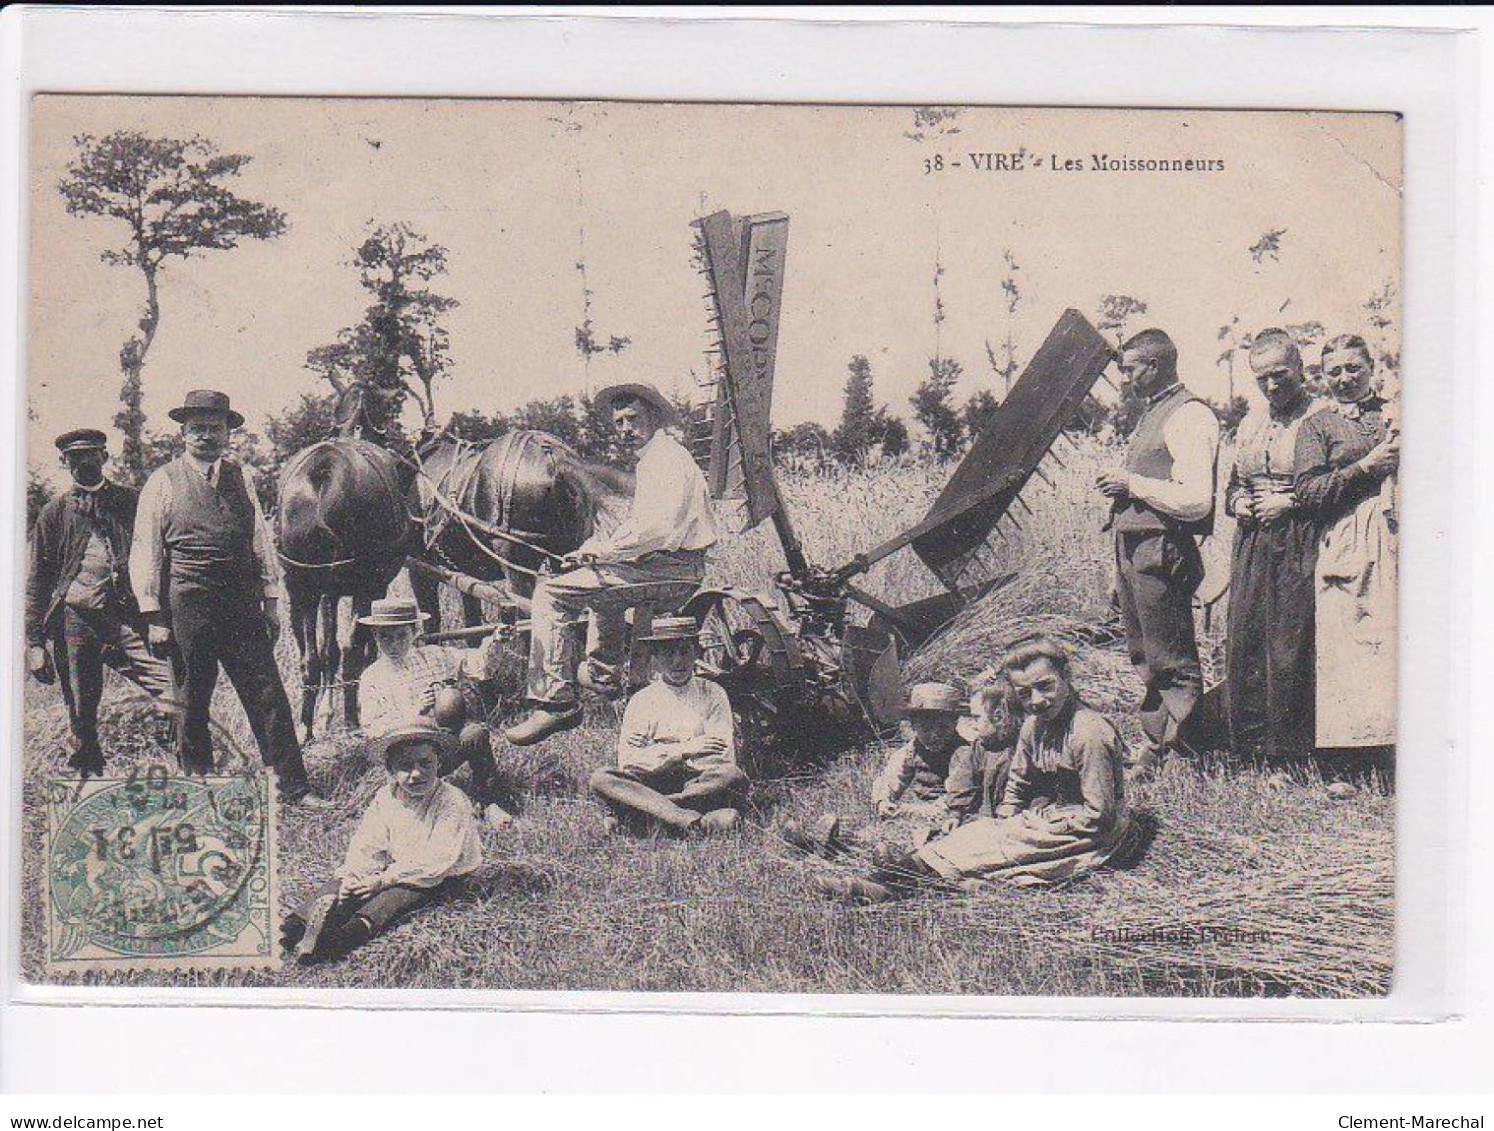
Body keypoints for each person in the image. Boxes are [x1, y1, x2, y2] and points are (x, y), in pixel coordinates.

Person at [812, 637, 1133, 902]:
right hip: (1054, 818)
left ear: (1066, 676)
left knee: (994, 851)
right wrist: (1006, 818)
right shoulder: (1035, 726)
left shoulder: (1088, 733)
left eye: (1045, 686)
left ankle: (889, 883)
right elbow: (1019, 781)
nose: (1037, 700)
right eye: (1024, 693)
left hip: (1090, 835)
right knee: (980, 835)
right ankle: (889, 880)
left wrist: (1037, 823)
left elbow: (1100, 815)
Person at [130, 389, 328, 806]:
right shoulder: (163, 481)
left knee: (268, 696)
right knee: (192, 701)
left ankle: (293, 789)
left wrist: (271, 601)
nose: (206, 436)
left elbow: (260, 542)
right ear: (183, 434)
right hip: (190, 604)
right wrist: (154, 617)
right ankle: (200, 790)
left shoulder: (242, 478)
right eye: (197, 429)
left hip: (241, 606)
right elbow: (146, 550)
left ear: (227, 433)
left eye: (214, 429)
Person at [505, 382, 718, 746]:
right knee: (601, 585)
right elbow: (642, 527)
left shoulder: (664, 460)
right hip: (668, 568)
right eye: (619, 422)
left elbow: (654, 530)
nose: (625, 429)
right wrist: (594, 549)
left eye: (633, 419)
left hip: (668, 571)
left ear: (654, 417)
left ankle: (554, 701)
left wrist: (603, 552)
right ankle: (603, 676)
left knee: (551, 594)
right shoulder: (660, 457)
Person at [1224, 331, 1375, 763]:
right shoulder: (1250, 421)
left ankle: (1289, 751)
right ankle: (1249, 747)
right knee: (1246, 636)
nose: (1272, 386)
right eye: (1262, 379)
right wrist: (1238, 502)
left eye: (1281, 375)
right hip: (1252, 540)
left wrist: (1289, 502)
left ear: (1300, 369)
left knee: (1290, 640)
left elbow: (1337, 484)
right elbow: (1234, 481)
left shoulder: (1324, 416)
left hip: (1303, 536)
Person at [1096, 329, 1219, 772]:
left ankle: (1185, 752)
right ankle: (1158, 745)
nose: (1125, 378)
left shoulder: (1189, 414)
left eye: (1130, 369)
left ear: (1155, 365)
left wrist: (1131, 483)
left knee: (1171, 657)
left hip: (1162, 548)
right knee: (1145, 655)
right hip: (1135, 547)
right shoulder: (1154, 412)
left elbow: (1196, 500)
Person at [25, 428, 174, 777]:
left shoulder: (131, 502)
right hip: (74, 621)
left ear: (104, 457)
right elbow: (38, 581)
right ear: (64, 462)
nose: (83, 462)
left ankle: (175, 766)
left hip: (126, 618)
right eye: (74, 457)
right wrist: (34, 643)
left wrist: (160, 617)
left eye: (91, 454)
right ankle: (88, 780)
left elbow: (160, 558)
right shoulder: (54, 512)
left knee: (170, 687)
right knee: (80, 710)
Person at [281, 722, 482, 964]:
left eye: (425, 763)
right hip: (396, 868)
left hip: (442, 876)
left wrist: (383, 880)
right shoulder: (386, 797)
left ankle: (340, 940)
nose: (416, 773)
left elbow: (437, 859)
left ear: (438, 762)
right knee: (344, 885)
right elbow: (368, 843)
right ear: (390, 770)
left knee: (396, 896)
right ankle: (294, 927)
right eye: (405, 766)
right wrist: (354, 878)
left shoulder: (451, 801)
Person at [357, 597, 531, 832]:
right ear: (375, 636)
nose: (394, 645)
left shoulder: (435, 656)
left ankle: (489, 802)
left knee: (474, 733)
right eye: (386, 638)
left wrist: (497, 641)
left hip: (444, 747)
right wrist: (415, 710)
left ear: (415, 632)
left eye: (401, 636)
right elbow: (372, 729)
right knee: (420, 811)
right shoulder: (373, 677)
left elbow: (480, 666)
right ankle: (434, 811)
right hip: (406, 757)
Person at [1312, 335, 1399, 755]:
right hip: (1348, 538)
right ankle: (1348, 757)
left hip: (1399, 533)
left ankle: (1395, 752)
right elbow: (1310, 492)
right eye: (1334, 372)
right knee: (1349, 642)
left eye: (1353, 369)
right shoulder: (1318, 425)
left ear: (1371, 369)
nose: (1345, 379)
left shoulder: (1394, 414)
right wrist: (1365, 467)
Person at [587, 616, 746, 837]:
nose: (677, 661)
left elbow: (720, 756)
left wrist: (655, 750)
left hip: (697, 784)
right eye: (668, 653)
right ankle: (695, 821)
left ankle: (645, 814)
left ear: (696, 653)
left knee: (731, 776)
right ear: (655, 658)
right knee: (601, 779)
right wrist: (685, 750)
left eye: (684, 651)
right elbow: (630, 763)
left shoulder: (713, 693)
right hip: (651, 784)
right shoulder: (642, 700)